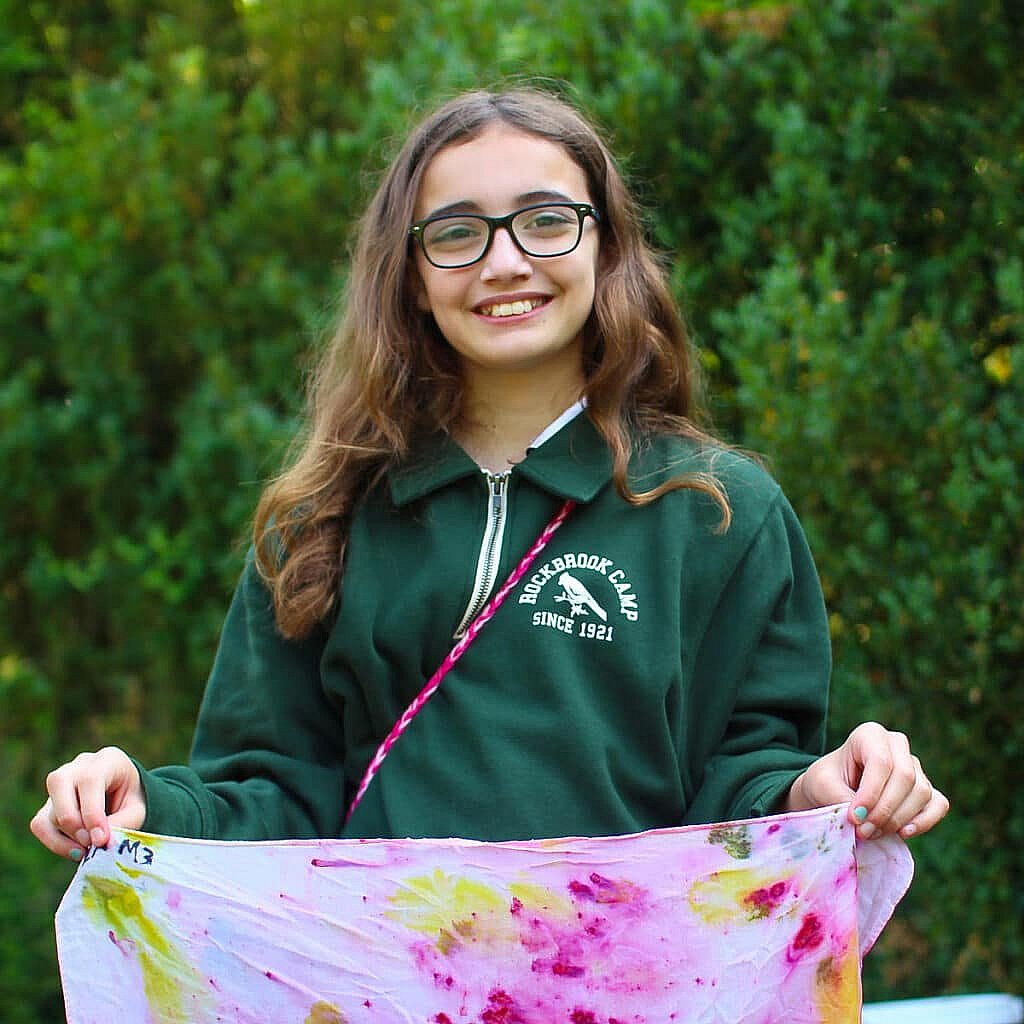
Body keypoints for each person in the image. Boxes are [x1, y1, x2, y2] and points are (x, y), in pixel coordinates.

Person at [31, 87, 948, 862]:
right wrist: (150, 812)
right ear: (412, 274)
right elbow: (272, 797)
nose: (506, 261)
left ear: (606, 245)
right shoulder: (321, 521)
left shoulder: (719, 512)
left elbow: (740, 786)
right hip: (380, 990)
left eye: (546, 221)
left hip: (629, 985)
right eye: (459, 233)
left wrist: (811, 792)